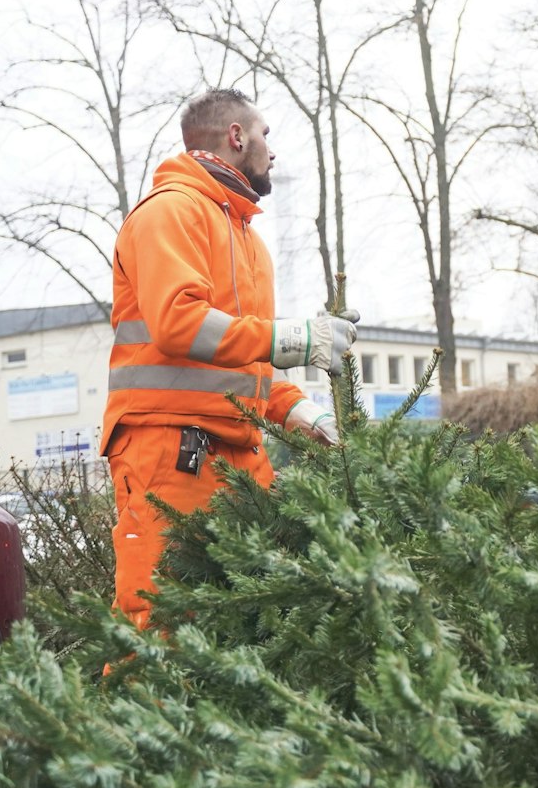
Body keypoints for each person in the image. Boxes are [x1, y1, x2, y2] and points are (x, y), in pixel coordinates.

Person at [102, 88, 356, 628]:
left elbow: (243, 358)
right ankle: (136, 714)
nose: (272, 150)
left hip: (236, 450)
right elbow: (180, 323)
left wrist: (300, 412)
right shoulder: (172, 212)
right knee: (162, 619)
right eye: (265, 135)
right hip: (169, 447)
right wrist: (294, 339)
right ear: (237, 137)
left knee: (250, 616)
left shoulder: (245, 237)